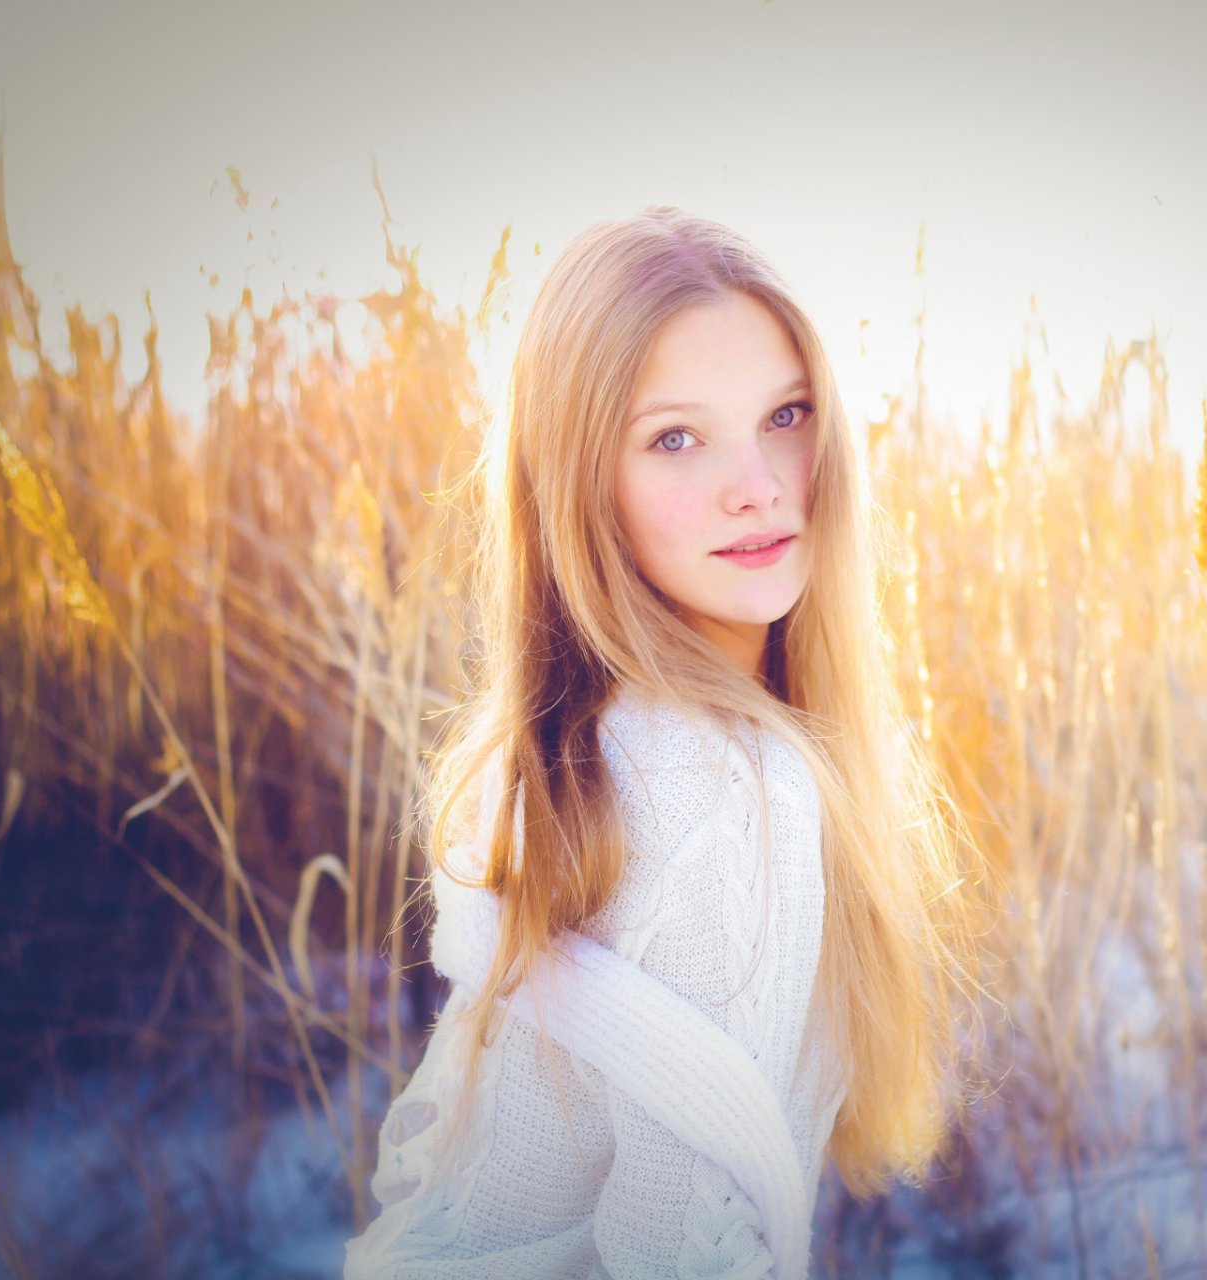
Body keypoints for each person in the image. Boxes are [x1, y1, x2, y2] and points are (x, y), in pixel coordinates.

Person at [344, 206, 990, 1278]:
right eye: (677, 437)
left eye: (785, 414)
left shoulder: (576, 752)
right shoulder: (715, 784)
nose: (760, 484)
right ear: (582, 483)